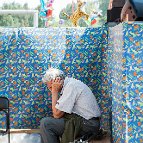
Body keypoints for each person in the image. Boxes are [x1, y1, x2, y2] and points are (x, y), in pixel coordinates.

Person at [40, 68, 101, 143]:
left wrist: (54, 92)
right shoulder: (70, 84)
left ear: (57, 80)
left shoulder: (71, 86)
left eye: (51, 87)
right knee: (50, 123)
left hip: (89, 125)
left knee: (46, 124)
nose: (50, 90)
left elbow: (56, 114)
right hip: (87, 122)